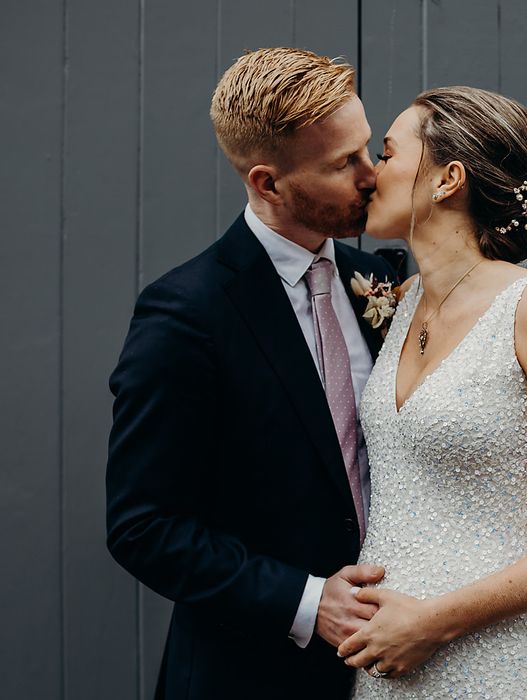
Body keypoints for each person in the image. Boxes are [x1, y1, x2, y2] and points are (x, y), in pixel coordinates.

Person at [106, 47, 397, 699]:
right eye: (341, 163)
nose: (371, 175)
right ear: (267, 183)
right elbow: (142, 526)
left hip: (398, 666)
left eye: (368, 148)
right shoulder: (186, 314)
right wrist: (308, 600)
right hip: (249, 676)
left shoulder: (383, 282)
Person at [336, 87, 527, 697]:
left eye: (389, 154)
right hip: (387, 667)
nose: (369, 174)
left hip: (497, 663)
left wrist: (435, 621)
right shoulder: (401, 306)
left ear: (448, 179)